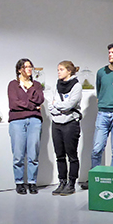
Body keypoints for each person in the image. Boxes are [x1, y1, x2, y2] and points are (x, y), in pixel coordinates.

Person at [8, 58, 45, 195]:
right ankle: (19, 182)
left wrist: (30, 89)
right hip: (17, 120)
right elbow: (14, 104)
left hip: (34, 120)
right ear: (19, 70)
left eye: (30, 67)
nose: (29, 69)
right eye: (26, 67)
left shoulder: (36, 85)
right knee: (18, 154)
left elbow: (40, 99)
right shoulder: (13, 85)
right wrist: (32, 106)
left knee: (33, 153)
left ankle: (32, 182)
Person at [48, 60, 82, 196]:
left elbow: (70, 105)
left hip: (70, 123)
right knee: (59, 155)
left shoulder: (76, 86)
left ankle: (71, 183)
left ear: (69, 71)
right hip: (56, 123)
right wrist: (58, 108)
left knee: (71, 155)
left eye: (61, 69)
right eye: (58, 70)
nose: (58, 72)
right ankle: (62, 181)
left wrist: (57, 105)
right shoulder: (56, 85)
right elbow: (50, 104)